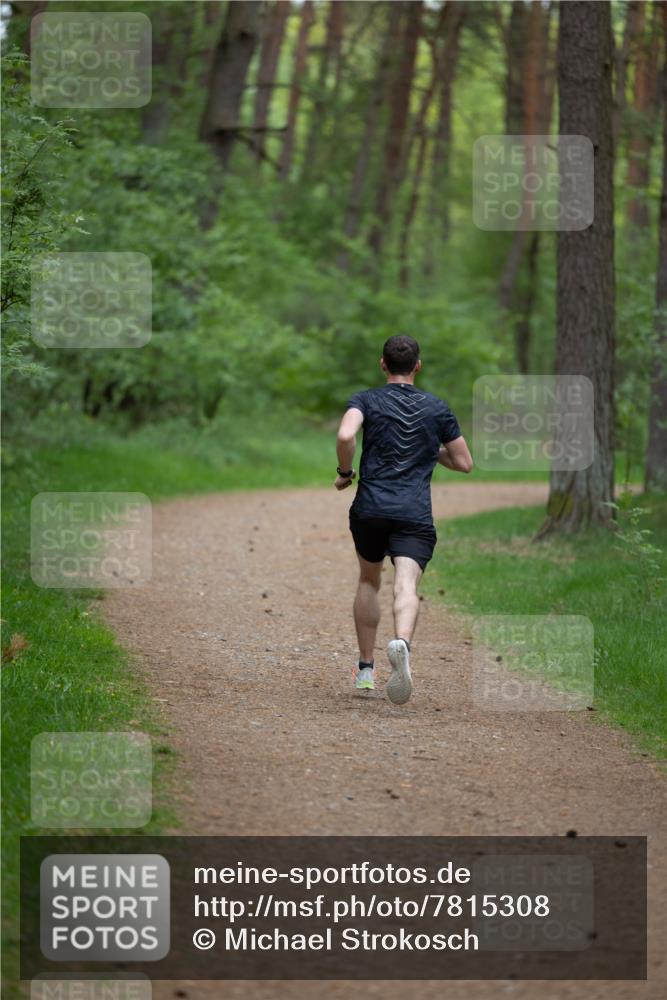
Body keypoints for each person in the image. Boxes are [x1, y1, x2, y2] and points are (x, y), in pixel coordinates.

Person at [334, 335, 473, 705]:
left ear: (383, 364)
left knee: (368, 579)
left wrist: (345, 472)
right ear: (417, 366)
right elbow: (464, 463)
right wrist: (432, 449)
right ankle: (403, 643)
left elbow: (347, 433)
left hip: (370, 508)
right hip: (414, 513)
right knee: (407, 584)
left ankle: (366, 669)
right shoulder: (437, 408)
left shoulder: (365, 399)